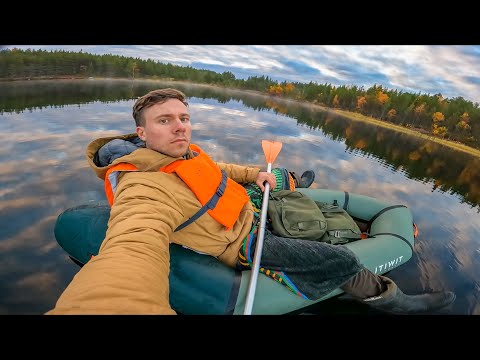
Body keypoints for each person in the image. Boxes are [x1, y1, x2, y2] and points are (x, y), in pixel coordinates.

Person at [46, 88, 455, 315]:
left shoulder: (181, 153)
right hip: (239, 241)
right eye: (165, 121)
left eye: (183, 118)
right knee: (342, 261)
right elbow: (131, 248)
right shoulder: (145, 189)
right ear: (142, 132)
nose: (179, 127)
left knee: (287, 195)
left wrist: (253, 175)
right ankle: (394, 301)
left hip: (245, 208)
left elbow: (216, 168)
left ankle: (290, 183)